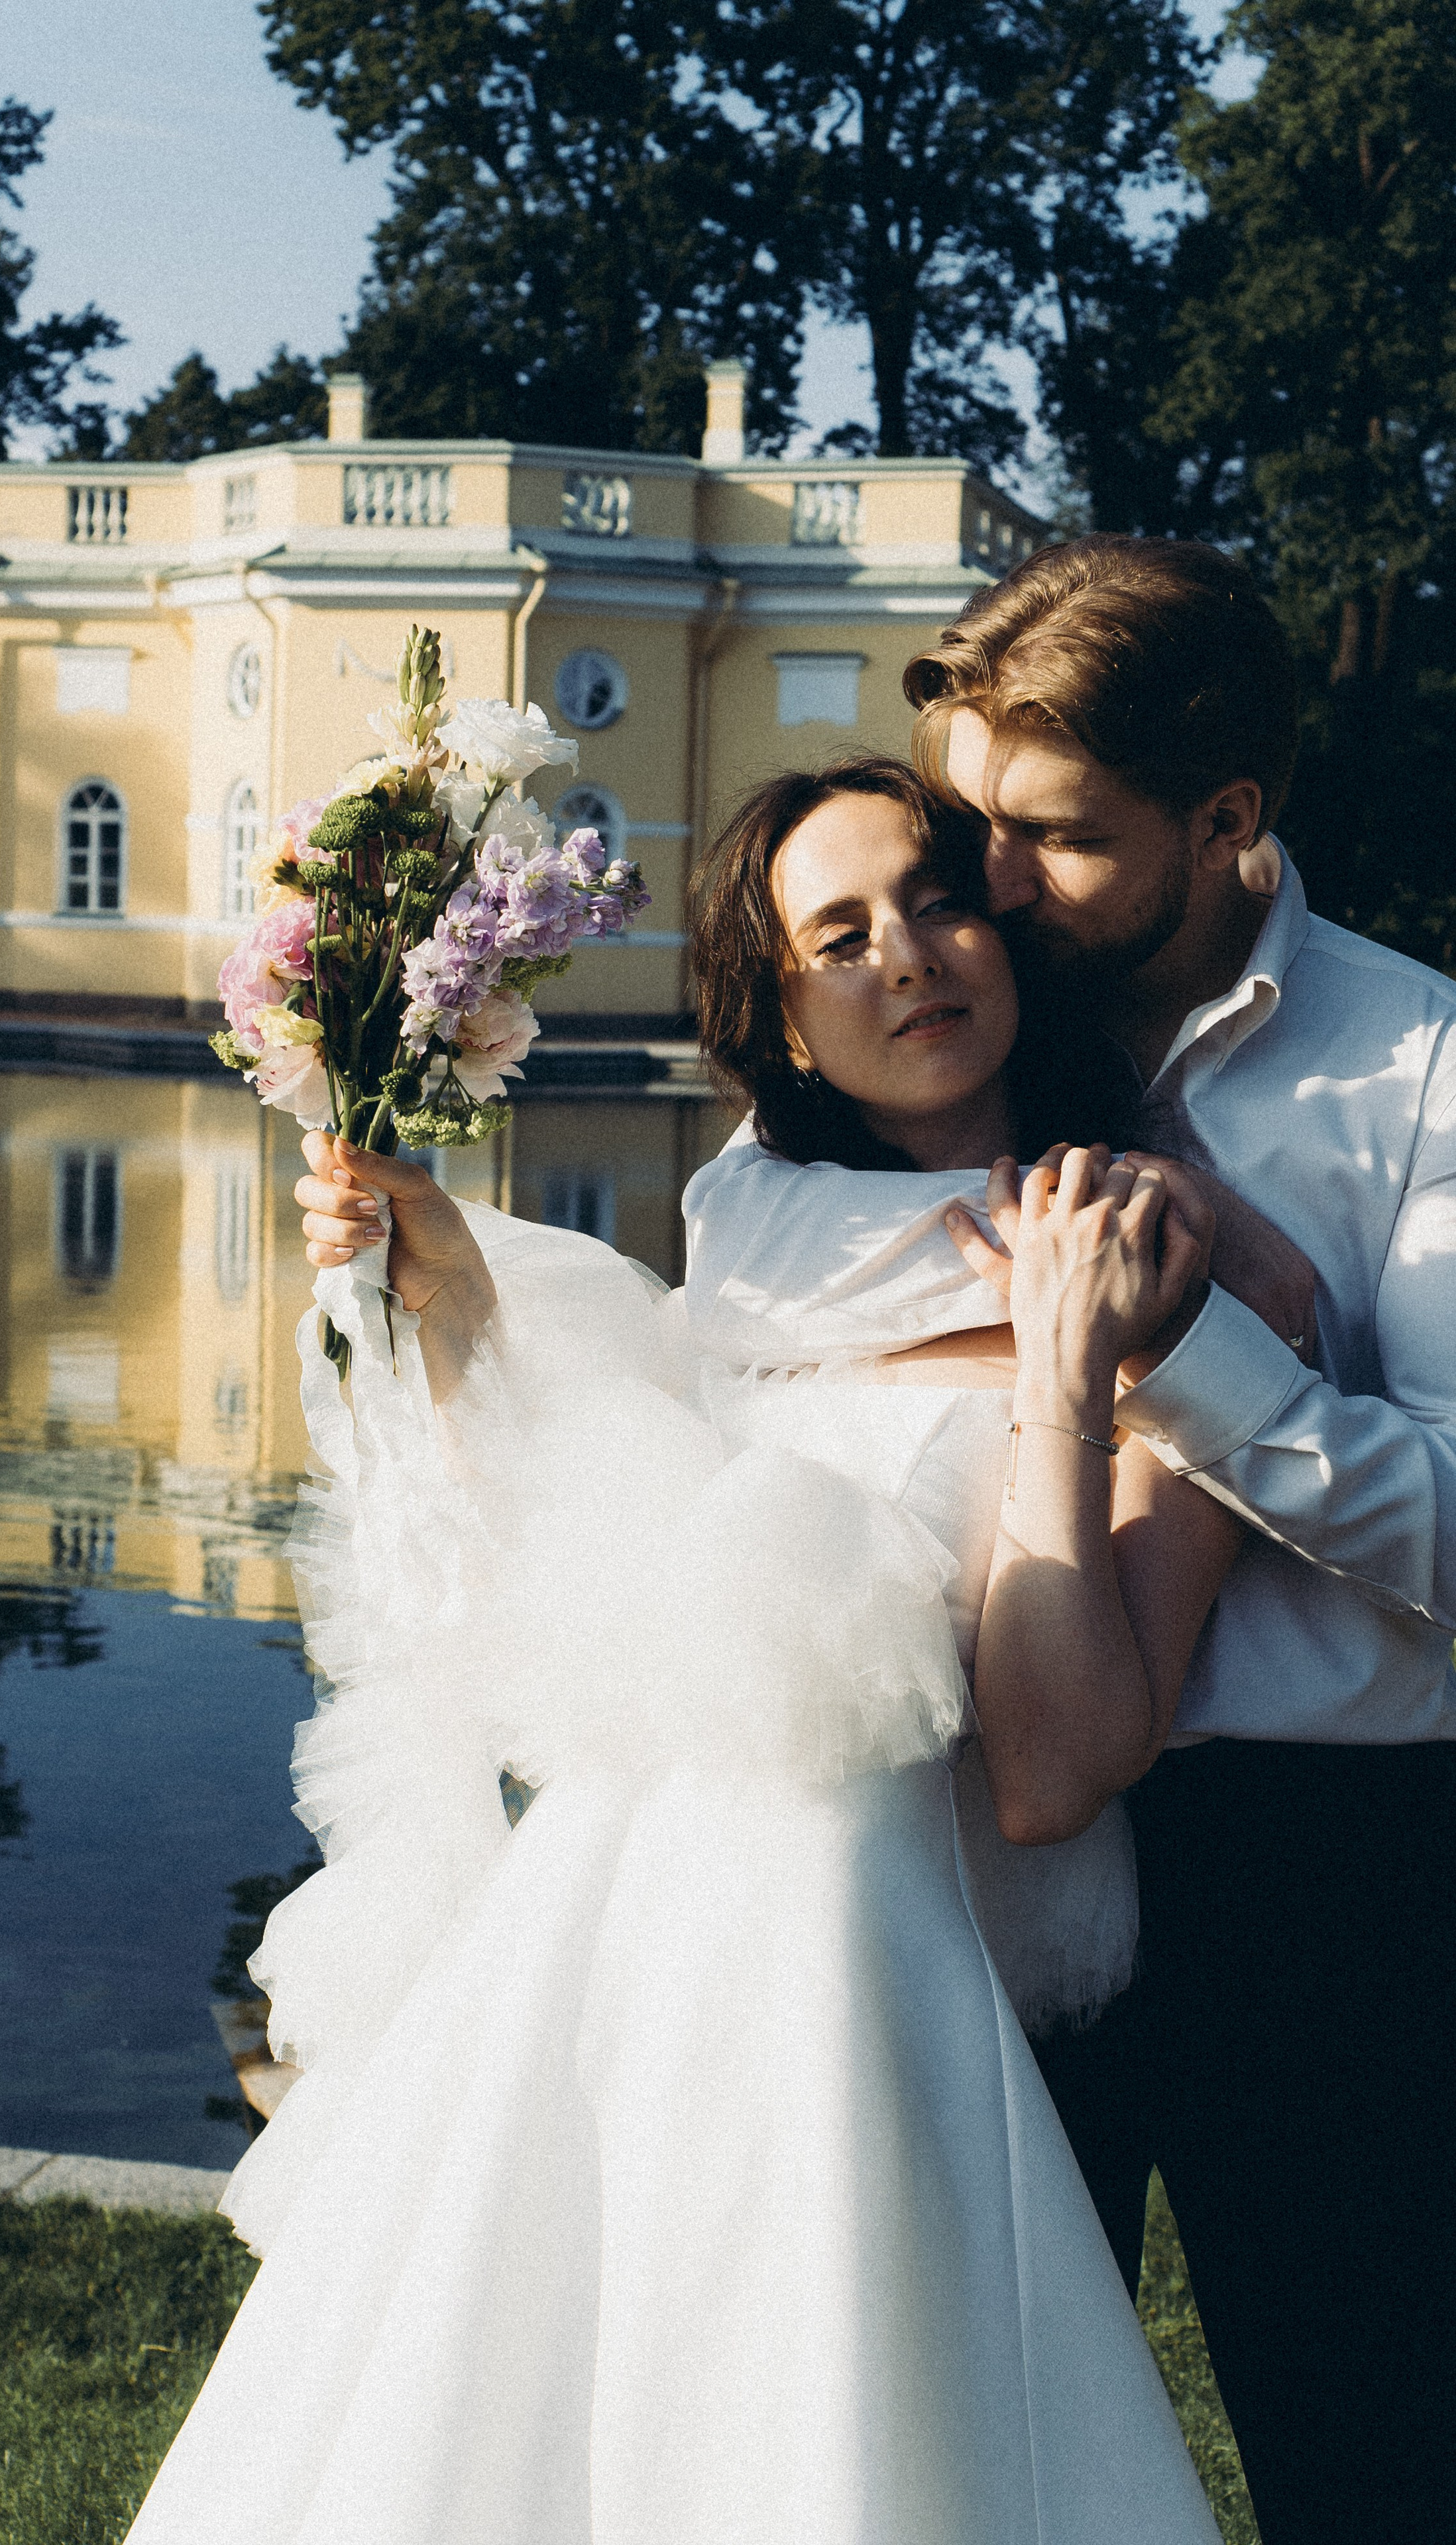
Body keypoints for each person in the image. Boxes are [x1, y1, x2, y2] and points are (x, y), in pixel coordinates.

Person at [127, 757, 1233, 2544]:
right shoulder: (757, 1248)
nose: (911, 959)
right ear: (783, 1019)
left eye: (940, 900)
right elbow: (595, 1581)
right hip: (618, 1954)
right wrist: (450, 1292)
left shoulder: (1148, 1245)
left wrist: (1061, 1380)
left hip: (871, 1990)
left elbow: (1055, 1771)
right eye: (841, 935)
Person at [689, 537, 1456, 2545]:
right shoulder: (947, 1062)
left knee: (1372, 2450)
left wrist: (1193, 1359)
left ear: (1226, 824)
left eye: (1048, 842)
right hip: (985, 1876)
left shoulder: (1427, 1071)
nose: (989, 896)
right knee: (971, 2450)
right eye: (970, 835)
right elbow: (739, 1293)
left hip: (1335, 1881)